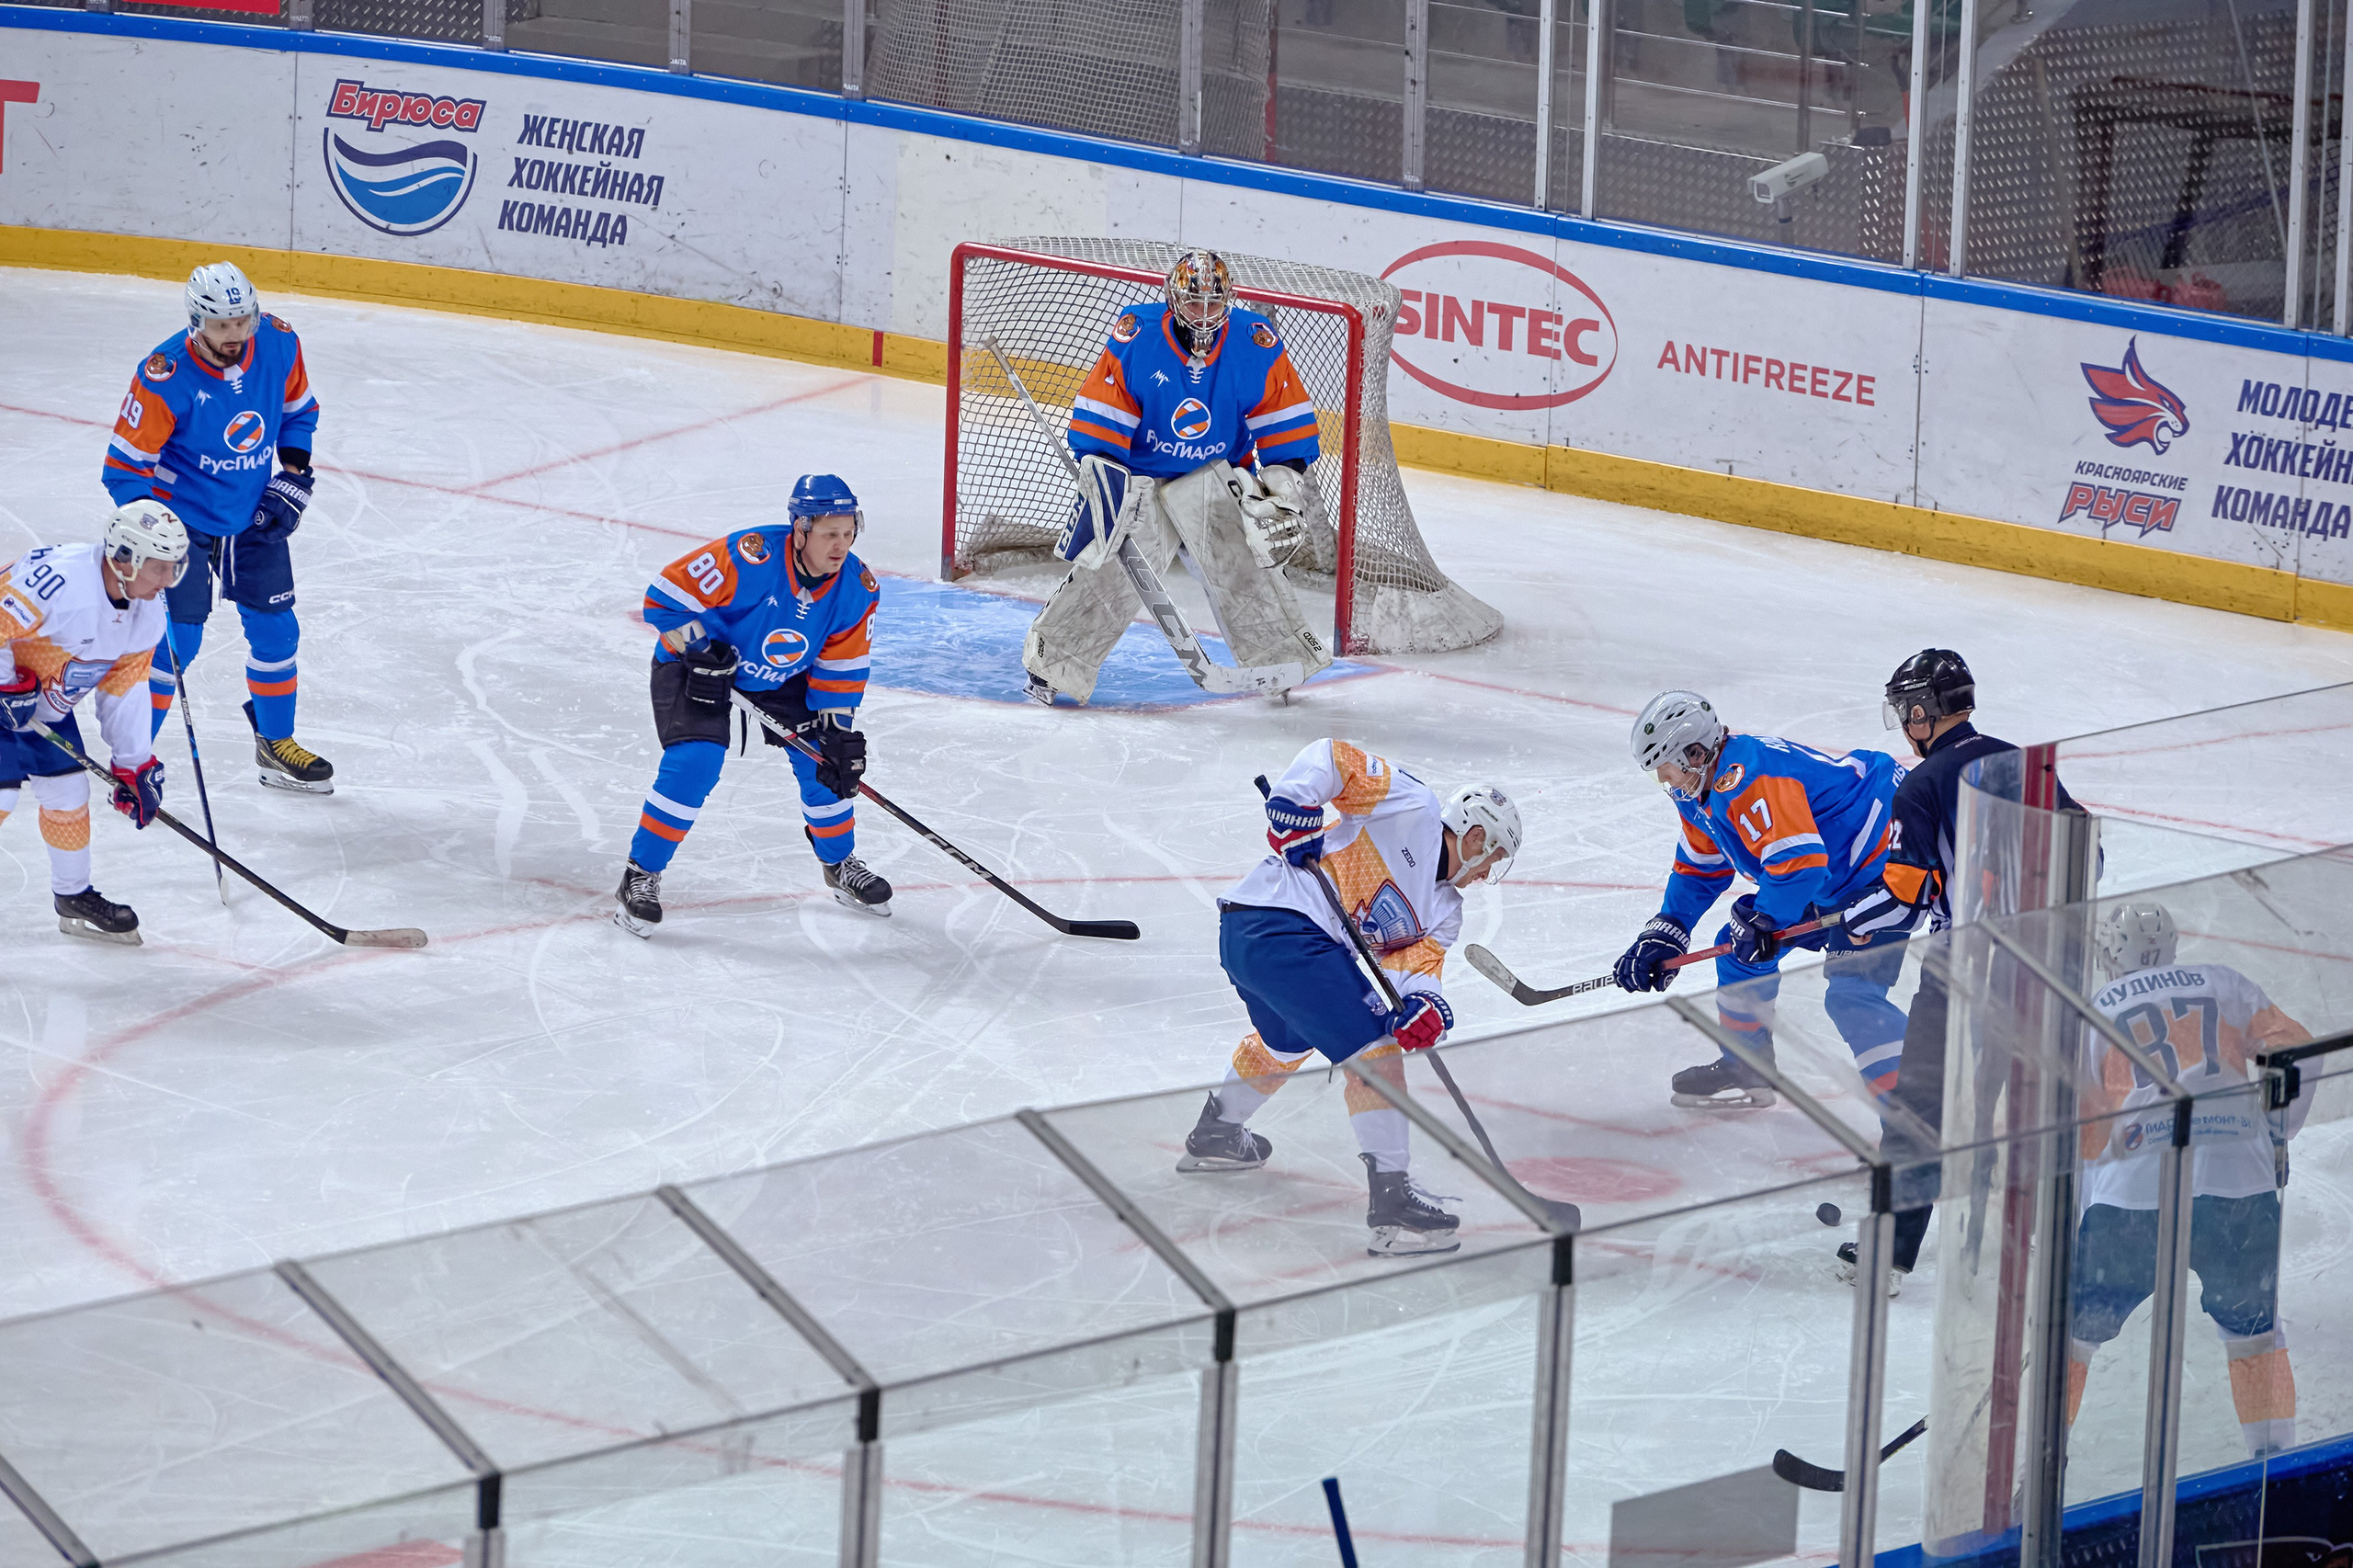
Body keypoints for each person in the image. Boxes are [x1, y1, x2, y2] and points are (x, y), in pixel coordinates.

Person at [1177, 738, 1522, 1257]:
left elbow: (1412, 970)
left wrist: (1426, 1007)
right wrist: (1296, 805)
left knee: (1288, 1042)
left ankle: (1218, 1132)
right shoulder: (1414, 809)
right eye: (1492, 858)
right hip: (1282, 927)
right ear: (1475, 837)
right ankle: (1393, 1205)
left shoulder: (1445, 909)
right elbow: (1333, 759)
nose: (1486, 875)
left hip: (1255, 939)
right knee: (1375, 1056)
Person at [1834, 649, 2081, 1288]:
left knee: (1920, 1107)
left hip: (1963, 965)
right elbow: (2086, 853)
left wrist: (1840, 921)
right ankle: (2050, 1249)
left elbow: (1903, 896)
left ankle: (1890, 1248)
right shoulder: (2023, 763)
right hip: (2044, 962)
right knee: (2032, 1105)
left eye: (1904, 712)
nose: (1904, 725)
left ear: (1921, 712)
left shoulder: (1920, 785)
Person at [1022, 247, 1333, 706]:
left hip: (1215, 476)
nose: (1204, 315)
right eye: (1193, 304)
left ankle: (1279, 662)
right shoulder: (1138, 338)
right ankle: (1054, 665)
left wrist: (1282, 486)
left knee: (1244, 567)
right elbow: (1103, 424)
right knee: (1111, 573)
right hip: (1142, 477)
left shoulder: (1255, 343)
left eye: (1213, 304)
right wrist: (1107, 482)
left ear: (1228, 301)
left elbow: (1284, 421)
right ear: (1172, 300)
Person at [2067, 902, 2311, 1460]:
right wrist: (2274, 1134)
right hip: (2237, 1183)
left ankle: (2030, 1478)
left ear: (2111, 954)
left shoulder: (2096, 1007)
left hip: (2131, 1196)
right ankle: (2274, 1466)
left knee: (2072, 1342)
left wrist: (2080, 1213)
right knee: (2255, 1337)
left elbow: (2082, 1126)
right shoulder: (2225, 983)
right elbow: (2297, 1054)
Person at [617, 475, 889, 935]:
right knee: (695, 763)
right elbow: (663, 600)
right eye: (829, 534)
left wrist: (836, 728)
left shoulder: (857, 589)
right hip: (702, 667)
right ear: (800, 530)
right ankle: (640, 874)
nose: (840, 546)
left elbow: (840, 665)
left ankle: (839, 863)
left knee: (826, 763)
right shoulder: (750, 555)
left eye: (847, 533)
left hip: (782, 676)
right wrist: (698, 646)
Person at [1612, 690, 1908, 1113]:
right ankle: (1748, 1065)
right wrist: (1669, 929)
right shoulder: (1698, 790)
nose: (1665, 782)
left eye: (1667, 769)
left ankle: (1917, 1120)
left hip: (1883, 867)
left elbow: (1800, 864)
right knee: (1739, 953)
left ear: (1695, 752)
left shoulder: (1748, 777)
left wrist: (1767, 920)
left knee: (1853, 994)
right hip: (1830, 877)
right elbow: (1701, 867)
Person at [103, 262, 332, 793]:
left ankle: (276, 746)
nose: (235, 336)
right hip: (179, 518)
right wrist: (153, 527)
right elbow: (124, 469)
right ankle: (134, 756)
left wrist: (293, 476)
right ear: (195, 323)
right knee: (175, 640)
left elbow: (300, 413)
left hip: (250, 515)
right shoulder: (164, 374)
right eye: (222, 326)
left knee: (278, 631)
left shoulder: (277, 342)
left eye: (242, 321)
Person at [0, 503, 189, 943]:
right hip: (7, 697)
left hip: (42, 710)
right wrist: (5, 685)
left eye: (172, 568)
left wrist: (134, 762)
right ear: (123, 558)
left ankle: (73, 897)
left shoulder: (146, 613)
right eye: (159, 569)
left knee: (68, 794)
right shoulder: (60, 581)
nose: (167, 581)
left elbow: (124, 688)